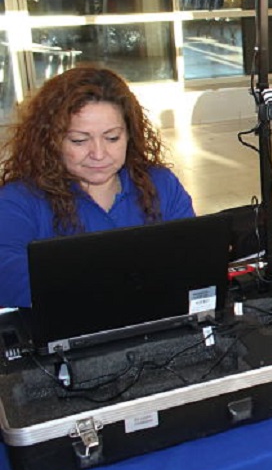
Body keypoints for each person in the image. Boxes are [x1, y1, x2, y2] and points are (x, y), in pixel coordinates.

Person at [0, 66, 195, 308]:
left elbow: (191, 260)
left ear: (129, 136)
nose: (99, 154)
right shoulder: (19, 200)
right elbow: (6, 277)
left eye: (112, 137)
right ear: (50, 141)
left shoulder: (160, 184)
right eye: (79, 140)